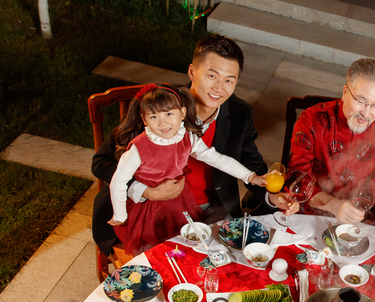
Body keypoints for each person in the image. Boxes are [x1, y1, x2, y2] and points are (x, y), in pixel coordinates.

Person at [91, 34, 294, 257]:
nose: (219, 88)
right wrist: (146, 191)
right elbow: (101, 162)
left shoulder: (239, 113)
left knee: (239, 260)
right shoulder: (161, 107)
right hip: (148, 212)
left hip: (210, 210)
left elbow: (251, 164)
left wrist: (271, 195)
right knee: (164, 266)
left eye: (229, 80)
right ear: (192, 72)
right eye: (212, 75)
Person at [107, 84, 266, 254]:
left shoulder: (186, 138)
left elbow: (218, 159)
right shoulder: (138, 148)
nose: (163, 123)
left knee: (186, 242)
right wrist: (120, 215)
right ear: (144, 120)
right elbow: (118, 182)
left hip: (179, 201)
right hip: (148, 208)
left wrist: (250, 176)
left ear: (182, 113)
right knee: (156, 247)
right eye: (154, 117)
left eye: (169, 114)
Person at [287, 58, 375, 225]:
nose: (366, 113)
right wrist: (334, 205)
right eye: (360, 101)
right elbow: (297, 179)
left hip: (358, 220)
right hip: (309, 213)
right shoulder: (311, 119)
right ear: (345, 92)